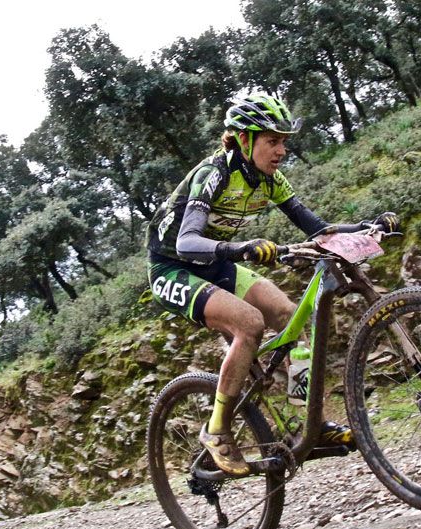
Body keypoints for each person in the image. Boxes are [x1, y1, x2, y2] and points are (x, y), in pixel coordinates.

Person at [146, 92, 398, 475]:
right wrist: (243, 247)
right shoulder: (213, 174)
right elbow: (187, 242)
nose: (281, 150)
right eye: (272, 141)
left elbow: (318, 230)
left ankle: (306, 423)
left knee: (292, 317)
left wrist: (368, 227)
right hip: (173, 268)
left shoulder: (270, 181)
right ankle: (216, 431)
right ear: (245, 140)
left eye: (284, 141)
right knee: (249, 323)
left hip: (218, 264)